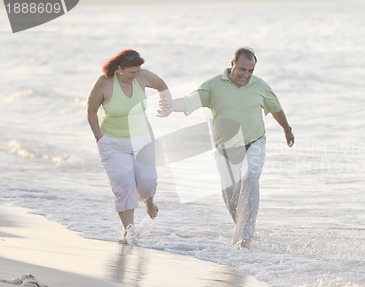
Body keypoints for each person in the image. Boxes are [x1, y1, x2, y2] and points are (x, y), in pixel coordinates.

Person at [158, 47, 294, 248]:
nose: (246, 75)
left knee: (250, 177)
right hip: (226, 150)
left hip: (255, 141)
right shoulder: (213, 85)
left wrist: (287, 129)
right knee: (232, 199)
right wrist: (170, 106)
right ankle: (241, 232)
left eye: (250, 71)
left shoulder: (260, 86)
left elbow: (276, 108)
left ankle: (246, 238)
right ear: (232, 65)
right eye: (242, 69)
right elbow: (190, 101)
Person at [87, 49, 171, 243]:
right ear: (119, 69)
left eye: (138, 71)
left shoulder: (142, 76)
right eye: (132, 72)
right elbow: (91, 111)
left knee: (147, 183)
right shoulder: (104, 83)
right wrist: (100, 139)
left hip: (142, 138)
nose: (136, 75)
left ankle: (149, 201)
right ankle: (128, 232)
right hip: (113, 143)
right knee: (124, 186)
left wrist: (166, 105)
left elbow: (161, 85)